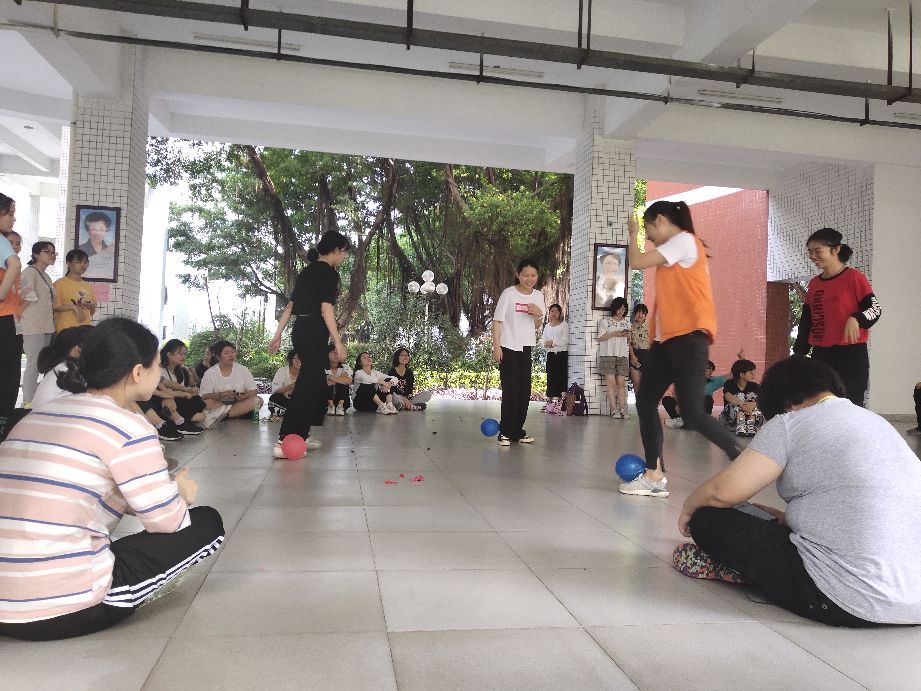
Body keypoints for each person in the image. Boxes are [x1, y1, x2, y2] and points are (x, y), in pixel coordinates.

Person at [0, 317, 224, 640]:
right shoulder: (129, 427)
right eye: (156, 365)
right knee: (207, 523)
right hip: (58, 608)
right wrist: (179, 493)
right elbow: (168, 523)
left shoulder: (36, 416)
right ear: (136, 373)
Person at [676, 356, 921, 627]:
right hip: (915, 601)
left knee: (708, 517)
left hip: (848, 599)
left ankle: (732, 570)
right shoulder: (876, 422)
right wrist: (791, 518)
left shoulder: (791, 422)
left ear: (786, 405)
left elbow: (722, 492)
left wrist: (689, 507)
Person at [621, 201, 744, 497]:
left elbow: (636, 261)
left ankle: (740, 456)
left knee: (692, 412)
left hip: (689, 341)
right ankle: (655, 475)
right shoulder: (673, 252)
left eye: (650, 231)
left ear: (660, 220)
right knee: (645, 401)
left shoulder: (684, 241)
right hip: (666, 343)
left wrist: (632, 232)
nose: (650, 238)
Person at [267, 230, 350, 457]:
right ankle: (285, 439)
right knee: (307, 387)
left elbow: (290, 307)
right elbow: (326, 309)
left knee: (313, 385)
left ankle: (299, 435)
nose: (344, 257)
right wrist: (338, 341)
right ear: (335, 250)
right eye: (343, 252)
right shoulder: (329, 273)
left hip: (300, 331)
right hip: (314, 331)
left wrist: (277, 335)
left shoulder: (307, 271)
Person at [793, 228, 880, 407]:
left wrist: (856, 318)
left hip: (851, 355)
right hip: (822, 355)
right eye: (810, 251)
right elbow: (807, 319)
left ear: (836, 249)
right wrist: (799, 352)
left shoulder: (854, 278)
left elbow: (875, 308)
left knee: (850, 405)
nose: (812, 256)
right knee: (821, 405)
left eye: (818, 250)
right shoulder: (814, 283)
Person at [492, 258, 545, 446]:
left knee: (524, 391)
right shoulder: (509, 294)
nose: (529, 279)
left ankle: (517, 431)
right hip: (507, 346)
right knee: (511, 390)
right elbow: (497, 321)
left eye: (533, 275)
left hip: (526, 346)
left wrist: (538, 313)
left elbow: (537, 325)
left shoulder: (538, 296)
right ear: (518, 276)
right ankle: (504, 432)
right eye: (525, 275)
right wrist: (496, 346)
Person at [19, 242, 58, 406]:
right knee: (33, 364)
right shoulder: (29, 272)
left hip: (47, 326)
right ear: (35, 254)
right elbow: (24, 299)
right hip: (33, 326)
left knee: (43, 364)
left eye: (54, 252)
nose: (52, 255)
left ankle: (38, 398)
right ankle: (28, 401)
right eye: (47, 252)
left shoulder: (47, 276)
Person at [197, 340, 262, 421]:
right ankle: (233, 414)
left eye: (233, 352)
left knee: (257, 400)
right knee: (207, 403)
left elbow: (253, 391)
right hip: (218, 404)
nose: (231, 355)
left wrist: (244, 395)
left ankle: (223, 415)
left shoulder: (242, 369)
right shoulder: (210, 373)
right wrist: (220, 395)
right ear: (218, 356)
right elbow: (203, 396)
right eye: (227, 353)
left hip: (239, 403)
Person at [0, 192, 23, 422]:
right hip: (3, 318)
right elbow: (14, 264)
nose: (13, 220)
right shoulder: (0, 240)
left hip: (10, 318)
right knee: (7, 375)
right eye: (10, 214)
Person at [662, 359, 730, 429]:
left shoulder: (714, 381)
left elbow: (731, 375)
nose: (710, 371)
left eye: (711, 369)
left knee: (708, 399)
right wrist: (678, 405)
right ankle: (682, 421)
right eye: (707, 368)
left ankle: (688, 422)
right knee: (667, 399)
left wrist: (741, 359)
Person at [159, 339, 210, 430]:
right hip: (169, 400)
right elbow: (166, 388)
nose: (184, 357)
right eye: (180, 354)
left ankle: (195, 417)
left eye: (184, 354)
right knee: (179, 401)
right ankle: (195, 418)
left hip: (182, 400)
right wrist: (184, 393)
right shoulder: (160, 370)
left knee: (197, 399)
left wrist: (190, 375)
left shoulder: (181, 371)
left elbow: (189, 386)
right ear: (169, 355)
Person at [597, 297, 631, 419]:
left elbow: (629, 340)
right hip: (607, 355)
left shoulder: (627, 323)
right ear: (614, 307)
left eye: (624, 309)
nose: (622, 311)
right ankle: (613, 410)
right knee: (611, 383)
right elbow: (600, 337)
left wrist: (628, 336)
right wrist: (615, 334)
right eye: (620, 308)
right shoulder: (605, 322)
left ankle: (623, 409)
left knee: (621, 384)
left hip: (622, 355)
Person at [53, 249, 97, 332]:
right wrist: (73, 307)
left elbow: (93, 306)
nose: (83, 265)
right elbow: (54, 307)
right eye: (79, 262)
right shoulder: (59, 284)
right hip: (65, 330)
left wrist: (92, 306)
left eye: (85, 262)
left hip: (85, 330)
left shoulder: (87, 285)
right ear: (68, 263)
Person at [719, 358, 763, 437]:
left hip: (750, 416)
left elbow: (761, 400)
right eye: (750, 373)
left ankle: (751, 425)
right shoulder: (730, 384)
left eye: (754, 372)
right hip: (732, 419)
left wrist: (751, 406)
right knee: (734, 402)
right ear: (742, 375)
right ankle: (740, 426)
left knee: (756, 404)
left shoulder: (754, 386)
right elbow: (728, 396)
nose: (753, 375)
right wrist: (743, 404)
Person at [541, 304, 569, 407]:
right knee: (551, 377)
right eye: (552, 311)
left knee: (561, 377)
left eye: (556, 311)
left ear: (560, 313)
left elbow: (566, 340)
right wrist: (546, 345)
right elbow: (543, 341)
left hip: (562, 355)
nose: (554, 313)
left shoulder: (564, 324)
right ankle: (549, 402)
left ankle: (561, 403)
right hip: (551, 355)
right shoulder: (547, 326)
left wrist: (553, 342)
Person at [388, 347, 425, 411]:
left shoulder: (409, 372)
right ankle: (410, 406)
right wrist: (404, 399)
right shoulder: (392, 372)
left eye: (407, 355)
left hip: (407, 398)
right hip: (396, 397)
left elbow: (410, 390)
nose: (405, 357)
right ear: (397, 357)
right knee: (392, 396)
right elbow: (392, 391)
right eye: (402, 355)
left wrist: (408, 399)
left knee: (427, 394)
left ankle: (405, 406)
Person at [269, 349, 301, 419]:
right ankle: (295, 411)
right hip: (285, 401)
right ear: (289, 360)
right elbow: (276, 391)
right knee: (274, 398)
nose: (300, 361)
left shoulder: (307, 373)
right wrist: (291, 386)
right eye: (297, 358)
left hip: (300, 402)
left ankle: (289, 411)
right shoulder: (282, 371)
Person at [326, 344, 353, 415]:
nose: (336, 354)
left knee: (344, 383)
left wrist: (329, 377)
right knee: (340, 381)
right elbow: (320, 384)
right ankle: (330, 405)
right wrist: (340, 379)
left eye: (338, 353)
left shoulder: (345, 367)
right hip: (324, 402)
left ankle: (340, 406)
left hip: (343, 401)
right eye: (333, 352)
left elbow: (348, 381)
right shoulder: (321, 368)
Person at [628, 303, 649, 393]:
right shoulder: (630, 327)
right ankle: (639, 406)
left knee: (648, 384)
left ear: (645, 315)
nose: (640, 315)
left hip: (648, 356)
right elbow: (629, 343)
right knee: (636, 383)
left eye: (642, 313)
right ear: (634, 314)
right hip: (635, 356)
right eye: (638, 312)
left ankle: (650, 406)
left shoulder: (650, 327)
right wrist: (632, 357)